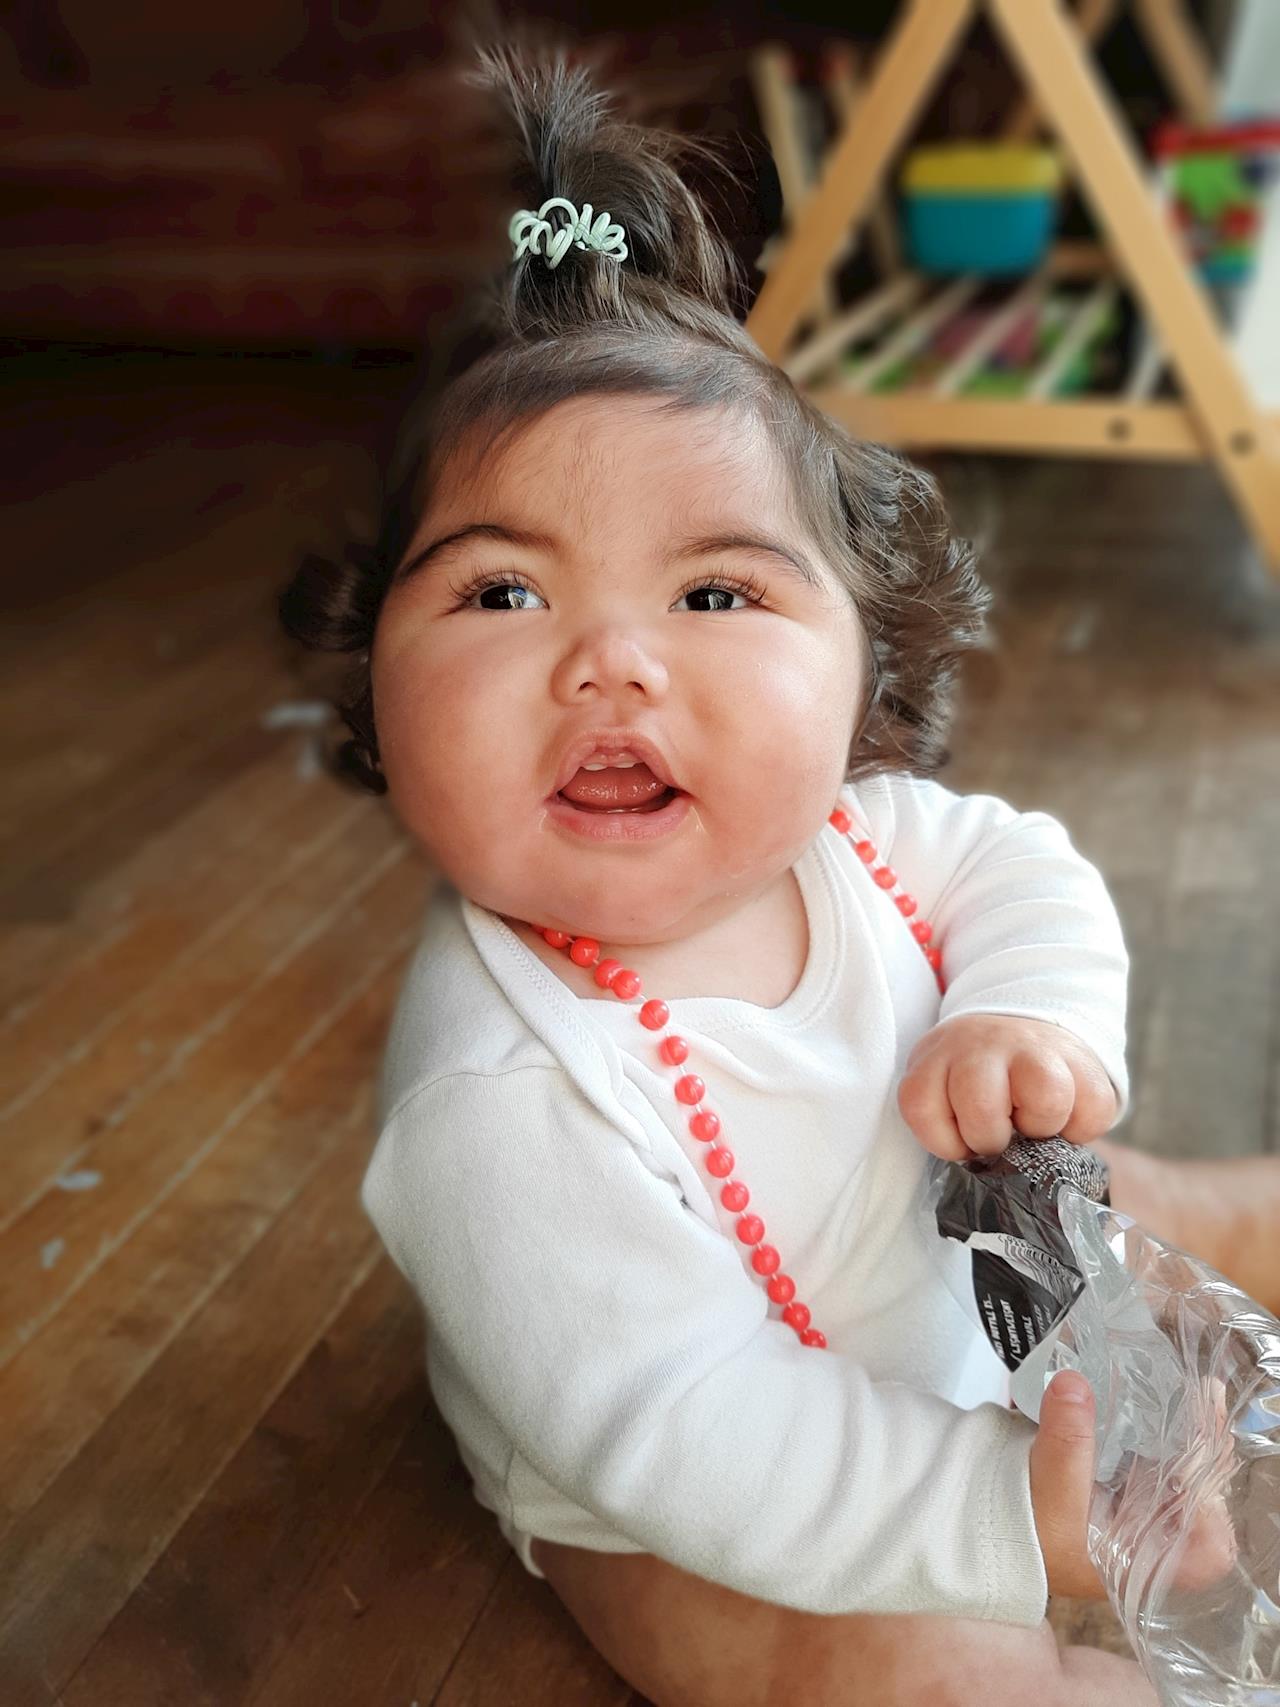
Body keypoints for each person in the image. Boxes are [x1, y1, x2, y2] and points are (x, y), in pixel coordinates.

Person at [278, 45, 1279, 1707]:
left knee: (1120, 1195)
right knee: (918, 1677)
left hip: (951, 1271)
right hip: (695, 1491)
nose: (610, 659)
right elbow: (694, 1428)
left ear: (867, 660)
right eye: (503, 594)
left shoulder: (862, 833)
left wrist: (1030, 1018)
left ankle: (1219, 1208)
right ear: (372, 681)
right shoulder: (499, 1099)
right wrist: (1002, 1515)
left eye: (716, 596)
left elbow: (1021, 869)